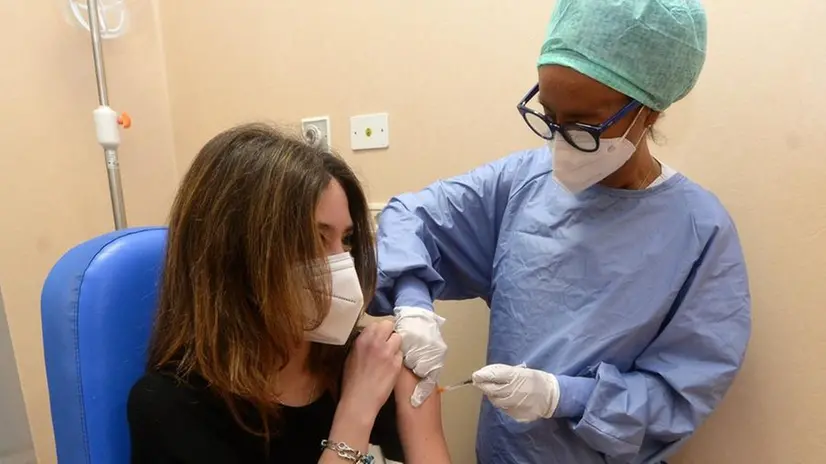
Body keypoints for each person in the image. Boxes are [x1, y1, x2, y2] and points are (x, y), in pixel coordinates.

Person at [370, 0, 751, 462]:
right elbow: (410, 217)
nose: (559, 140)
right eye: (549, 116)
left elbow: (677, 397)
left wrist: (561, 396)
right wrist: (412, 303)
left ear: (647, 111)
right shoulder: (521, 185)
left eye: (583, 124)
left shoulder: (699, 232)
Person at [127, 123, 451, 464]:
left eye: (347, 241)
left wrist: (415, 389)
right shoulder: (169, 408)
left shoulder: (364, 362)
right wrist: (356, 411)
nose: (341, 263)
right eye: (314, 239)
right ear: (235, 255)